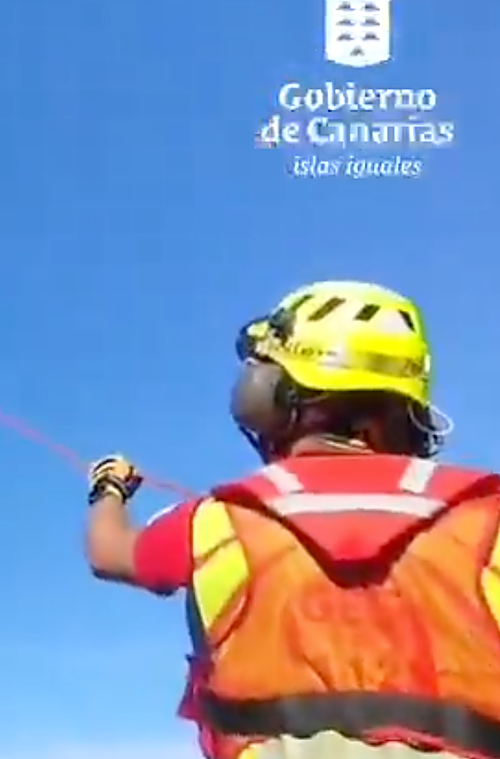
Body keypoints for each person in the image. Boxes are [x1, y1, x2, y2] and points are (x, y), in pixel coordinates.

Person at [83, 280, 500, 759]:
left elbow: (108, 552)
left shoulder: (218, 520)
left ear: (276, 399)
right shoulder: (487, 515)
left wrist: (109, 488)